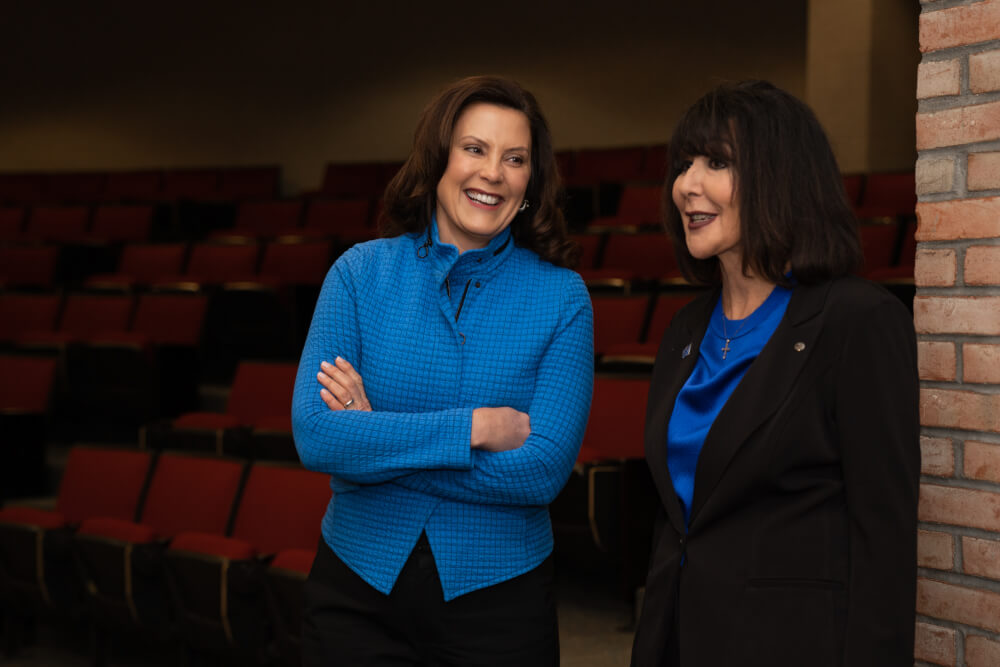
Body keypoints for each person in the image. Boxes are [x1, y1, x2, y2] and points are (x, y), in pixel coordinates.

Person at [291, 75, 593, 667]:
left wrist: (376, 439)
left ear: (531, 182)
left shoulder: (564, 298)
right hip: (356, 593)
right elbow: (318, 434)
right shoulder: (358, 274)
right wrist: (472, 428)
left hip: (501, 605)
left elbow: (542, 472)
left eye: (515, 159)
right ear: (437, 161)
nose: (493, 173)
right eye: (474, 149)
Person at [630, 80, 920, 667]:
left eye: (716, 162)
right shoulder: (686, 328)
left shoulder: (857, 322)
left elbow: (882, 541)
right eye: (683, 164)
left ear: (780, 176)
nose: (687, 184)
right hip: (675, 639)